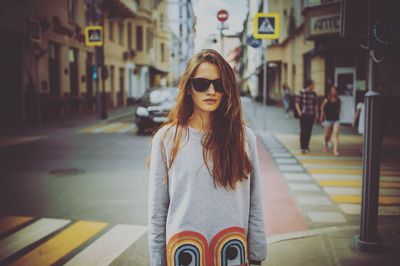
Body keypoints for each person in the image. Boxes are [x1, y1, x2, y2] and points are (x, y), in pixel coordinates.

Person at [148, 49, 267, 266]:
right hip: (183, 255)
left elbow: (255, 200)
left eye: (219, 84)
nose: (211, 91)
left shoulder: (243, 138)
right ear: (188, 88)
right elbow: (158, 210)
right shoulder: (166, 139)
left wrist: (257, 254)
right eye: (202, 84)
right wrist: (157, 262)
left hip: (232, 255)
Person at [295, 79, 318, 154]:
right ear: (310, 85)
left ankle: (306, 146)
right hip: (303, 114)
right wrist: (299, 112)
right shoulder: (301, 92)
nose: (314, 86)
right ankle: (302, 147)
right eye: (313, 84)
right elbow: (297, 103)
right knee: (303, 131)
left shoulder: (314, 94)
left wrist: (316, 113)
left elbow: (315, 105)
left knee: (309, 131)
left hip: (311, 114)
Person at [320, 85, 341, 156]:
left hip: (336, 119)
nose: (333, 91)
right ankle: (325, 144)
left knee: (336, 135)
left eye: (335, 90)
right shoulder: (327, 99)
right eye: (332, 90)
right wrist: (322, 115)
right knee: (327, 135)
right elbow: (322, 107)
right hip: (328, 119)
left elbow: (339, 110)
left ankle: (335, 151)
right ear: (330, 91)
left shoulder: (338, 100)